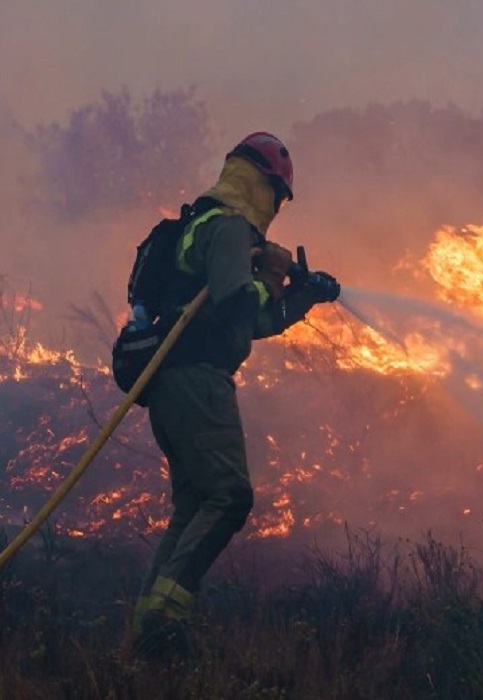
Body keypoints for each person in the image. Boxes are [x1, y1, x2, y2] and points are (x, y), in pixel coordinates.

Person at [131, 132, 340, 657]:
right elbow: (236, 304)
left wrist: (303, 297)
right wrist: (270, 276)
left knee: (194, 503)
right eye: (277, 196)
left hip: (173, 383)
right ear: (263, 186)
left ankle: (145, 628)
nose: (277, 210)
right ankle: (164, 620)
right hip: (197, 380)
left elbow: (254, 321)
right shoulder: (226, 227)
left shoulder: (209, 226)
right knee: (230, 496)